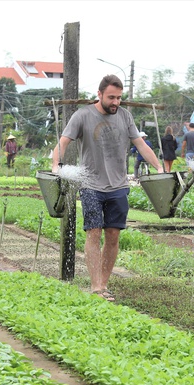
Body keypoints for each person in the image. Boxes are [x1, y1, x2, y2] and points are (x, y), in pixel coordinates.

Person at [51, 74, 163, 301]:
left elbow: (140, 144)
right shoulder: (82, 115)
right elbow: (63, 142)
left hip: (119, 185)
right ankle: (95, 287)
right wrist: (55, 165)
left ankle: (103, 285)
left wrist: (159, 167)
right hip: (91, 184)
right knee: (93, 232)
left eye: (119, 98)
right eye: (111, 97)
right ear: (99, 94)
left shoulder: (125, 116)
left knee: (113, 235)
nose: (116, 102)